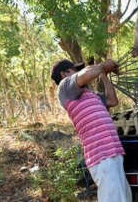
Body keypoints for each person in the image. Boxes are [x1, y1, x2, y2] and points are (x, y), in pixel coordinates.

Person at [50, 59, 132, 202]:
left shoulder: (90, 95)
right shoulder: (65, 87)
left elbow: (112, 100)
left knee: (122, 197)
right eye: (74, 70)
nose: (78, 72)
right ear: (64, 74)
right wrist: (101, 67)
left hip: (112, 153)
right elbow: (87, 73)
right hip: (102, 155)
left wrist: (104, 74)